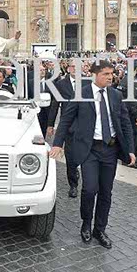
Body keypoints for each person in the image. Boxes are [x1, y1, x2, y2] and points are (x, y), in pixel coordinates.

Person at [50, 60, 136, 247]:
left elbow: (125, 123)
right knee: (89, 189)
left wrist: (130, 149)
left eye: (111, 74)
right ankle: (86, 223)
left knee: (106, 191)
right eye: (106, 74)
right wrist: (57, 144)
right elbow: (66, 120)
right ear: (94, 75)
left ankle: (100, 229)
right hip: (90, 149)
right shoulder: (81, 94)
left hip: (110, 149)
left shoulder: (116, 95)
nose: (110, 77)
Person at [46, 61, 82, 196]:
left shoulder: (87, 83)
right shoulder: (61, 84)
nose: (75, 69)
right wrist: (50, 124)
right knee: (70, 155)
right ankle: (73, 185)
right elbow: (55, 105)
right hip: (68, 125)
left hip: (85, 125)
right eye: (73, 66)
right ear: (68, 69)